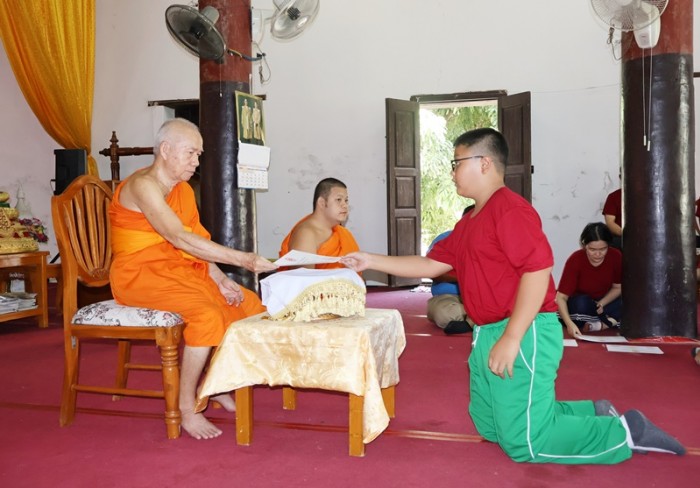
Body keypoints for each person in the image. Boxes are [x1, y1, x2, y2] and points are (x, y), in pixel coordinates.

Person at [341, 127, 684, 463]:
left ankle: (627, 432)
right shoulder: (470, 222)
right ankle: (591, 412)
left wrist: (512, 337)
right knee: (491, 426)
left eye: (457, 163)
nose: (452, 172)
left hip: (524, 329)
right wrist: (370, 260)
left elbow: (537, 271)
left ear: (484, 163)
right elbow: (431, 263)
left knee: (525, 443)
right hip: (487, 331)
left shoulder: (510, 210)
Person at [108, 118, 277, 440]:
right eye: (190, 153)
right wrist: (243, 260)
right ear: (165, 150)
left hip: (178, 269)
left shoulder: (182, 190)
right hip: (139, 275)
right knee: (207, 314)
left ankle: (215, 383)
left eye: (199, 154)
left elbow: (194, 240)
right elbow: (178, 237)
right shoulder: (143, 185)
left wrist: (220, 278)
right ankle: (187, 407)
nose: (196, 162)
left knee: (246, 303)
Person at [555, 222, 622, 338]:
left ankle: (602, 322)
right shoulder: (576, 259)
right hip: (582, 304)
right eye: (592, 249)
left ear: (609, 245)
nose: (598, 254)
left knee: (630, 301)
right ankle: (609, 321)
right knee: (580, 304)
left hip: (603, 302)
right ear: (584, 245)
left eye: (603, 249)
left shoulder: (616, 256)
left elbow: (617, 288)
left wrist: (602, 303)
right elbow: (561, 298)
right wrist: (569, 324)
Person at [279, 177, 359, 269]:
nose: (345, 205)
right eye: (338, 199)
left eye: (346, 200)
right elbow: (302, 276)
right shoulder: (306, 234)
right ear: (321, 202)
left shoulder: (341, 232)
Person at [426, 205, 475, 335]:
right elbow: (434, 273)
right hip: (451, 298)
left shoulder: (494, 240)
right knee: (442, 313)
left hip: (484, 298)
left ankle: (472, 319)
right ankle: (478, 318)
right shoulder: (445, 239)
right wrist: (466, 277)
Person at [602, 185, 622, 250]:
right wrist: (627, 235)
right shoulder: (614, 196)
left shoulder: (647, 195)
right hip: (621, 237)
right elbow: (610, 223)